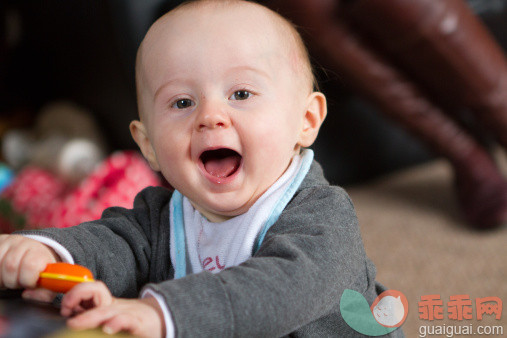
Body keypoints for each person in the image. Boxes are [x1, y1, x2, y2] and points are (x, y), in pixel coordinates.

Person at [0, 1, 403, 337]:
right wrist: (47, 255)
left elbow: (282, 289)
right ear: (149, 146)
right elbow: (113, 245)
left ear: (307, 120)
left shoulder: (323, 215)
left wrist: (163, 314)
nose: (211, 116)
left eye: (241, 94)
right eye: (181, 103)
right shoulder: (162, 218)